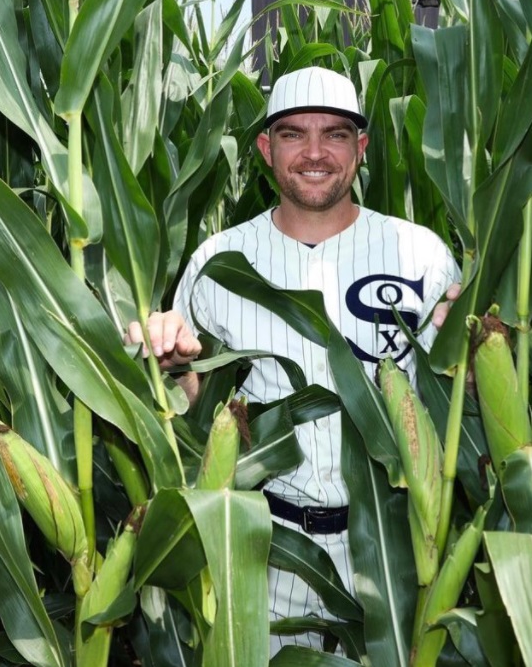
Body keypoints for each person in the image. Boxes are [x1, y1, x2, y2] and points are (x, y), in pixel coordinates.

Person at [127, 66, 461, 652]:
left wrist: (478, 355)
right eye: (292, 134)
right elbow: (197, 413)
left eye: (334, 134)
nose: (314, 153)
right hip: (263, 547)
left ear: (361, 148)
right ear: (265, 148)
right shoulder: (220, 262)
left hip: (395, 548)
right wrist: (171, 364)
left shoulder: (419, 255)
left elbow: (456, 404)